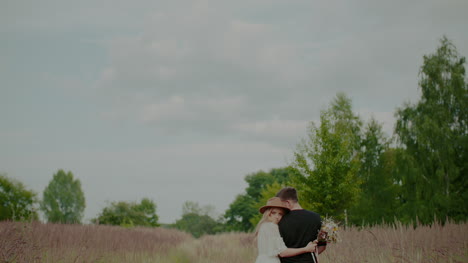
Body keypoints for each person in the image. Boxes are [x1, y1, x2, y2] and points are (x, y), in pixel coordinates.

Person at [255, 197, 317, 263]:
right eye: (273, 213)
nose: (277, 216)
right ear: (268, 213)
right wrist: (306, 249)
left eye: (280, 214)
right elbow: (282, 252)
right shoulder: (272, 226)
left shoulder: (263, 226)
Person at [275, 187, 326, 263]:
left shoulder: (279, 220)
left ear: (287, 203)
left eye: (281, 204)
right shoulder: (317, 217)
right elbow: (322, 246)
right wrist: (309, 254)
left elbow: (277, 251)